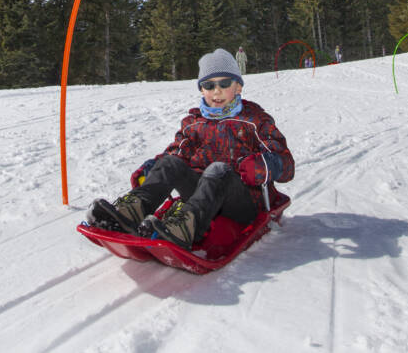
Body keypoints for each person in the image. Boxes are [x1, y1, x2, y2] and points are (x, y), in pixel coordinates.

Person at [86, 48, 295, 250]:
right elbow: (176, 153)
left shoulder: (254, 120)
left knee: (217, 170)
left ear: (238, 86)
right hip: (200, 196)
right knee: (169, 163)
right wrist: (153, 169)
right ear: (201, 90)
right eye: (209, 85)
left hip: (242, 200)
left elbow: (286, 163)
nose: (217, 91)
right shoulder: (193, 123)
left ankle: (184, 228)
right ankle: (130, 212)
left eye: (224, 83)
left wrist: (263, 165)